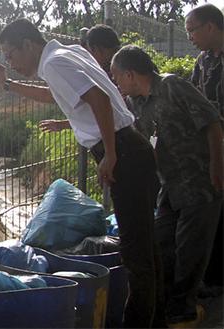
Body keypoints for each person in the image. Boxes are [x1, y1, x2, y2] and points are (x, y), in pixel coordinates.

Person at [0, 18, 164, 328]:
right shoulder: (68, 53)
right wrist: (8, 85)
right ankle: (158, 319)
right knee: (145, 246)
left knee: (137, 253)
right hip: (131, 147)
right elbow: (58, 96)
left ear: (28, 45)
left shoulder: (56, 63)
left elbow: (98, 98)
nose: (11, 62)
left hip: (122, 150)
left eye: (11, 54)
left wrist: (110, 154)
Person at [110, 45, 223, 327]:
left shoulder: (173, 86)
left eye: (117, 76)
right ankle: (166, 305)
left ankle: (183, 308)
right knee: (160, 245)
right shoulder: (137, 103)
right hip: (169, 185)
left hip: (200, 181)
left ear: (130, 74)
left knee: (191, 250)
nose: (116, 82)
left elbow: (212, 124)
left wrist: (217, 167)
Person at [185, 3, 224, 295]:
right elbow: (192, 98)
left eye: (192, 29)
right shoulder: (203, 61)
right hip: (209, 145)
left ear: (211, 27)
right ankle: (212, 276)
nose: (189, 36)